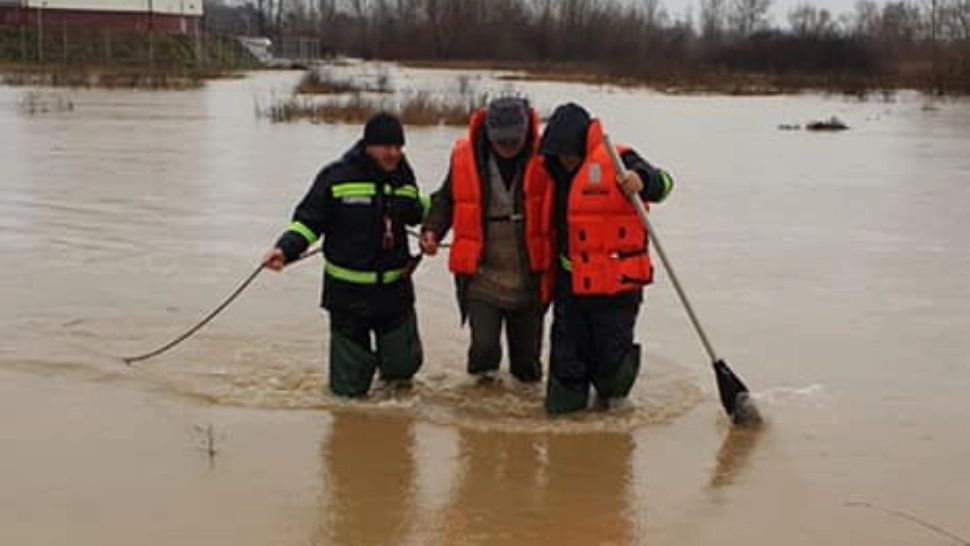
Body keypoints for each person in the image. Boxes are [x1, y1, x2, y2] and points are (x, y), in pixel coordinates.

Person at [263, 112, 425, 397]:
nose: (394, 153)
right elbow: (308, 222)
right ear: (369, 145)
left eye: (398, 147)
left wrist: (439, 221)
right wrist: (284, 249)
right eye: (387, 146)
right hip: (347, 297)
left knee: (402, 370)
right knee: (348, 394)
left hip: (395, 292)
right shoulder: (335, 177)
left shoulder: (404, 177)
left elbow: (416, 213)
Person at [537, 102, 675, 414]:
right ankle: (566, 411)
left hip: (616, 290)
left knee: (612, 367)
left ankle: (613, 407)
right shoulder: (551, 172)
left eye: (569, 153)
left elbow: (665, 184)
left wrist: (643, 180)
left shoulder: (620, 159)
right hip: (570, 287)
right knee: (566, 366)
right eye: (559, 153)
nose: (565, 159)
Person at [420, 97, 553, 384]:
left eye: (514, 140)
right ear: (489, 134)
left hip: (529, 278)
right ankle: (478, 407)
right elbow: (445, 201)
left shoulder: (547, 156)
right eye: (501, 141)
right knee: (484, 350)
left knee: (527, 366)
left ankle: (523, 409)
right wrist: (431, 231)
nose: (507, 146)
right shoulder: (465, 157)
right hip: (482, 276)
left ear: (526, 131)